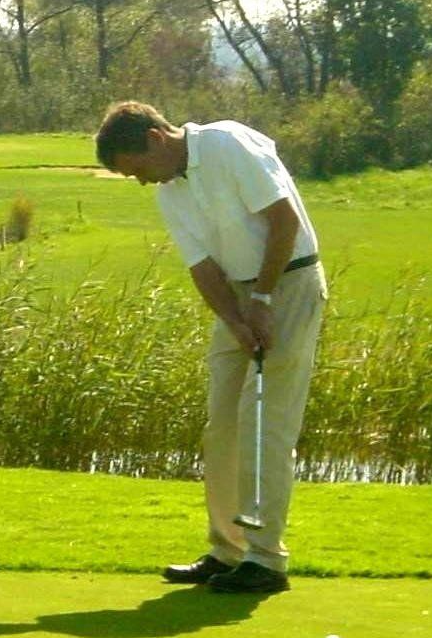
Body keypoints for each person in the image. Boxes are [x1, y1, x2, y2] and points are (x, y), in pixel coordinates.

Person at [94, 101, 326, 594]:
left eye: (136, 170)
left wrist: (262, 299)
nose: (139, 182)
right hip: (240, 294)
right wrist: (236, 320)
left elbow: (282, 222)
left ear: (156, 140)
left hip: (290, 282)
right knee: (221, 427)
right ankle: (228, 550)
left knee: (263, 424)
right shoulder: (170, 193)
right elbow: (202, 267)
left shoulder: (226, 143)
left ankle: (266, 561)